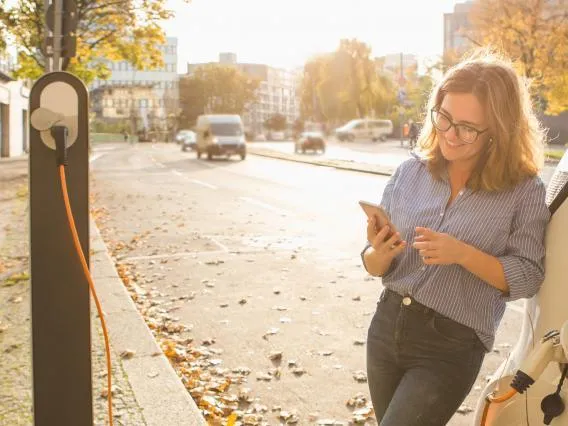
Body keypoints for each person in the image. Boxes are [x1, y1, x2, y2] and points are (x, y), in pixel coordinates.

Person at [361, 50, 550, 425]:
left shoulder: (524, 191)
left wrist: (463, 253)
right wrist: (379, 253)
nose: (449, 134)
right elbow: (372, 261)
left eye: (466, 127)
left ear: (498, 130)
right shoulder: (410, 171)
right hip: (386, 327)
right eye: (444, 118)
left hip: (450, 347)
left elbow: (528, 276)